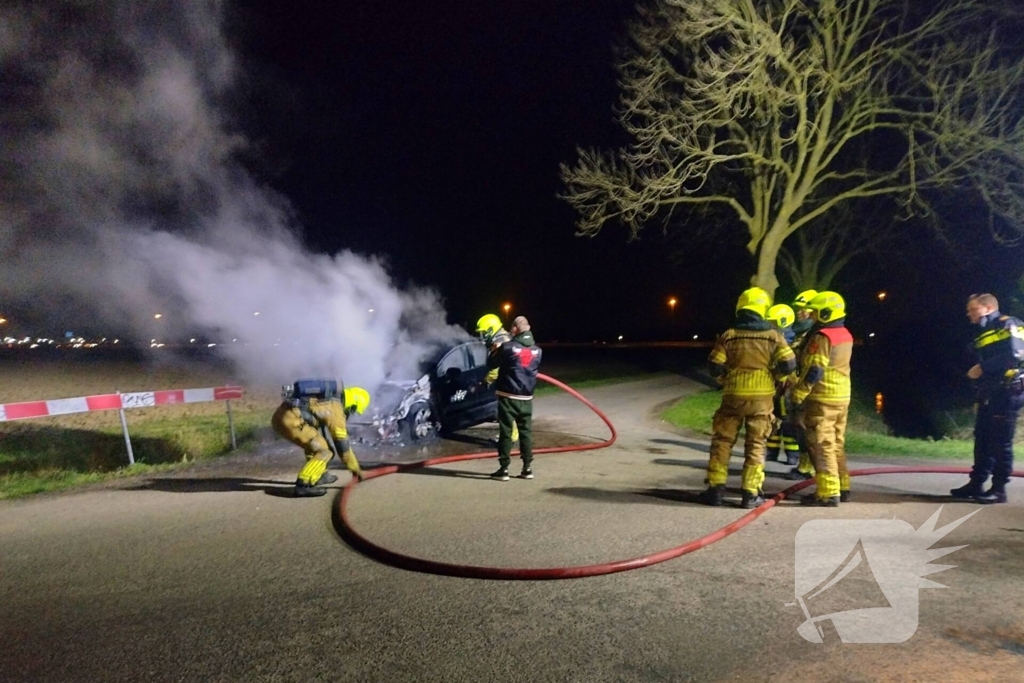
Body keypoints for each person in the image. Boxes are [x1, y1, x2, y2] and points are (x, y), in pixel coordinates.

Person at [700, 288, 797, 508]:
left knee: (722, 441)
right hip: (762, 399)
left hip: (733, 396)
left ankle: (715, 489)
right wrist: (775, 376)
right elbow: (789, 364)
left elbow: (714, 366)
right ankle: (750, 494)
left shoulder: (729, 335)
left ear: (740, 308)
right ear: (763, 310)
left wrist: (726, 378)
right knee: (756, 444)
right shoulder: (773, 336)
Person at [950, 293, 1024, 504]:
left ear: (989, 307)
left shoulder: (1008, 324)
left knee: (1001, 442)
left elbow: (1016, 354)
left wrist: (982, 368)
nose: (969, 314)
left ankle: (999, 490)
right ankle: (976, 483)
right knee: (982, 439)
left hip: (1008, 391)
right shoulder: (983, 333)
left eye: (973, 310)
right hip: (990, 392)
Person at [787, 291, 853, 507]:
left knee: (821, 444)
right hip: (842, 396)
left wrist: (798, 393)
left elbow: (815, 369)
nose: (812, 316)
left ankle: (827, 493)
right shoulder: (845, 333)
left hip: (823, 396)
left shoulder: (823, 336)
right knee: (836, 443)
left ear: (825, 312)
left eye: (815, 312)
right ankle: (843, 486)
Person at [271, 380, 370, 497]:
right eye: (353, 410)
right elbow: (343, 447)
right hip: (292, 422)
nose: (350, 413)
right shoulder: (335, 409)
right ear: (352, 403)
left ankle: (319, 475)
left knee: (316, 445)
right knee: (324, 452)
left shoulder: (328, 399)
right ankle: (303, 484)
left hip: (282, 418)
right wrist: (356, 470)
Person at [487, 315, 542, 481]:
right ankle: (527, 468)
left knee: (506, 432)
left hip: (508, 396)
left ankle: (503, 469)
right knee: (526, 433)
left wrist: (494, 350)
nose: (510, 330)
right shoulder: (538, 351)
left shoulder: (507, 347)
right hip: (527, 398)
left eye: (512, 328)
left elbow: (492, 364)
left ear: (517, 329)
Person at [782, 289, 819, 482]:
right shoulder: (800, 331)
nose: (799, 312)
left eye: (803, 309)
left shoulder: (814, 332)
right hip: (797, 384)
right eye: (797, 309)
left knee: (805, 426)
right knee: (797, 425)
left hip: (808, 387)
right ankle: (806, 465)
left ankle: (807, 467)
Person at [765, 304, 801, 465]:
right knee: (773, 417)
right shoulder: (775, 337)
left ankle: (792, 454)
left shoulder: (788, 339)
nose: (770, 325)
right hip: (775, 384)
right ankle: (771, 451)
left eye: (773, 322)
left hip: (787, 384)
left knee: (787, 421)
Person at [476, 313, 518, 444]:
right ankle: (512, 436)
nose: (482, 336)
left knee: (505, 412)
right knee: (508, 411)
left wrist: (485, 381)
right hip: (513, 381)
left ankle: (508, 439)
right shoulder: (506, 338)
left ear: (490, 329)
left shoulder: (499, 342)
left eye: (483, 333)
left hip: (507, 382)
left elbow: (495, 370)